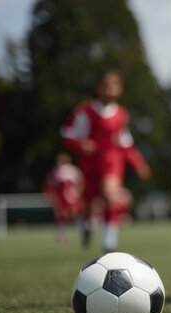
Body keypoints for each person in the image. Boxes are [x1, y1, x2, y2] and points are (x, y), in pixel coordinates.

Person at [60, 70, 150, 252]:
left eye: (115, 85)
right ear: (99, 87)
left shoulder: (121, 114)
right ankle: (86, 226)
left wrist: (138, 162)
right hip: (89, 164)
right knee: (88, 204)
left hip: (112, 161)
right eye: (107, 85)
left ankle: (109, 242)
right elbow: (66, 133)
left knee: (111, 194)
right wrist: (80, 144)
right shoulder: (84, 110)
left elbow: (125, 142)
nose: (111, 89)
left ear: (120, 89)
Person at [42, 153, 84, 244]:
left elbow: (80, 182)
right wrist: (50, 195)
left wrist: (77, 192)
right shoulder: (56, 171)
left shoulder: (72, 170)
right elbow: (50, 184)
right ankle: (61, 235)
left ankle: (82, 230)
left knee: (75, 213)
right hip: (61, 197)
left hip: (71, 196)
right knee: (61, 216)